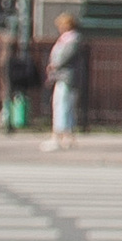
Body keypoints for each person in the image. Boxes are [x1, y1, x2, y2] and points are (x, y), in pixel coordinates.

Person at [45, 17, 83, 148]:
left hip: (66, 78)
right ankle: (67, 136)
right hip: (61, 77)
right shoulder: (65, 39)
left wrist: (55, 65)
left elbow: (65, 57)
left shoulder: (73, 39)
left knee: (63, 105)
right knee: (64, 105)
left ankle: (59, 135)